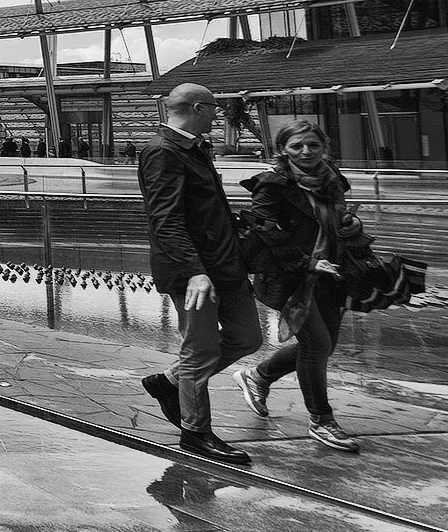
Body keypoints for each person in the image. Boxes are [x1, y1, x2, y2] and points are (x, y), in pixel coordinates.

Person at [137, 82, 262, 466]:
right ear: (197, 108)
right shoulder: (162, 152)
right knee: (201, 349)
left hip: (225, 264)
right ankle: (196, 432)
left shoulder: (194, 148)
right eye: (214, 108)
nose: (218, 114)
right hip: (196, 273)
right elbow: (166, 219)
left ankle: (171, 381)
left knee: (246, 337)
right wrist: (194, 272)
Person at [232, 123, 362, 452]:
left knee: (324, 346)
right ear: (283, 149)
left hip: (330, 273)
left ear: (324, 146)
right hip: (288, 274)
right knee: (317, 345)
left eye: (313, 145)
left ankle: (258, 376)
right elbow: (265, 228)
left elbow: (337, 219)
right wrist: (306, 262)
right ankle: (321, 420)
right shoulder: (271, 185)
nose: (306, 151)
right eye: (296, 146)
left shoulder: (333, 180)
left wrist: (349, 225)